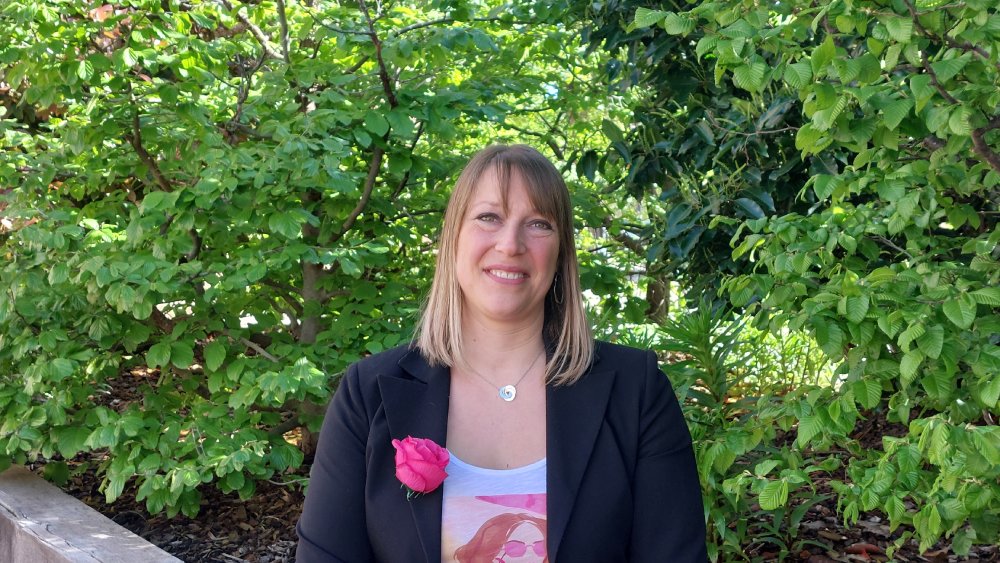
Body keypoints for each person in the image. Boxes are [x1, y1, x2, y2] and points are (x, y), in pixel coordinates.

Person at [295, 144, 707, 562]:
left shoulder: (636, 391)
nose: (510, 244)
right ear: (453, 237)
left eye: (539, 224)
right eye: (489, 217)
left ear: (561, 252)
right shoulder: (368, 395)